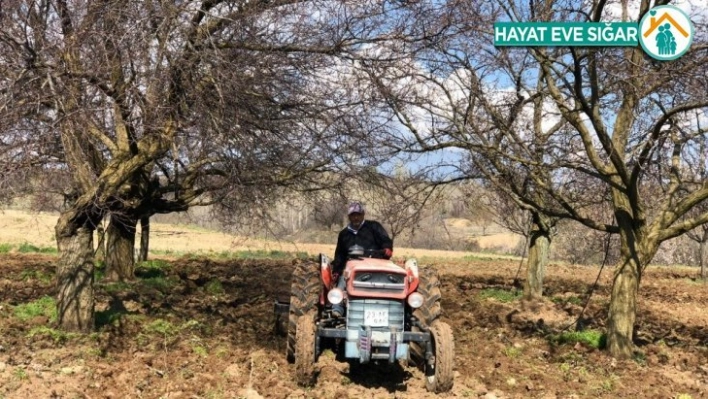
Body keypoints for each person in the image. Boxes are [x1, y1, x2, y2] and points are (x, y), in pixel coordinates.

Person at [330, 201, 393, 317]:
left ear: (363, 214)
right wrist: (337, 270)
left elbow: (386, 241)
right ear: (349, 217)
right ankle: (337, 309)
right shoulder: (344, 234)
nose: (356, 217)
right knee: (341, 284)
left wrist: (387, 248)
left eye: (358, 214)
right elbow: (339, 254)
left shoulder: (374, 227)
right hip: (352, 266)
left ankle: (391, 308)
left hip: (375, 264)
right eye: (353, 215)